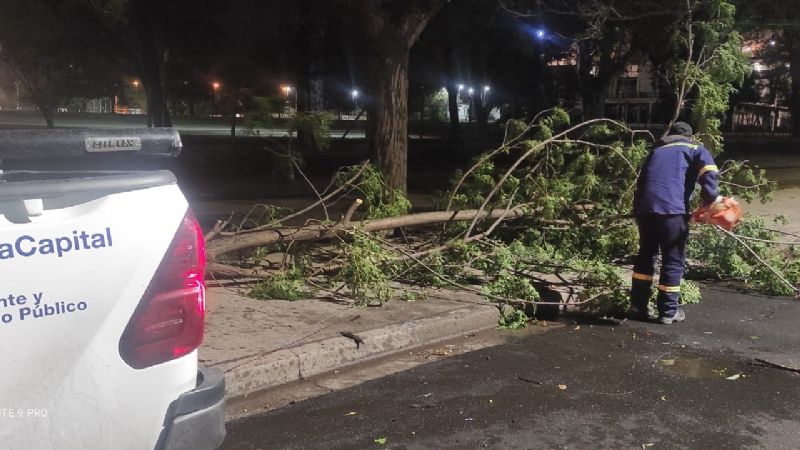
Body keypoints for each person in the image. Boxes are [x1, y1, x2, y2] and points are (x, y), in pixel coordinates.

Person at [628, 122, 721, 324]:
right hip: (672, 210)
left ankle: (638, 306)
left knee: (646, 255)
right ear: (690, 137)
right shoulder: (694, 148)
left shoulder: (656, 151)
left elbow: (641, 182)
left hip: (645, 210)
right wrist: (710, 201)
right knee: (673, 259)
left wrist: (638, 211)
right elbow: (710, 172)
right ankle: (668, 312)